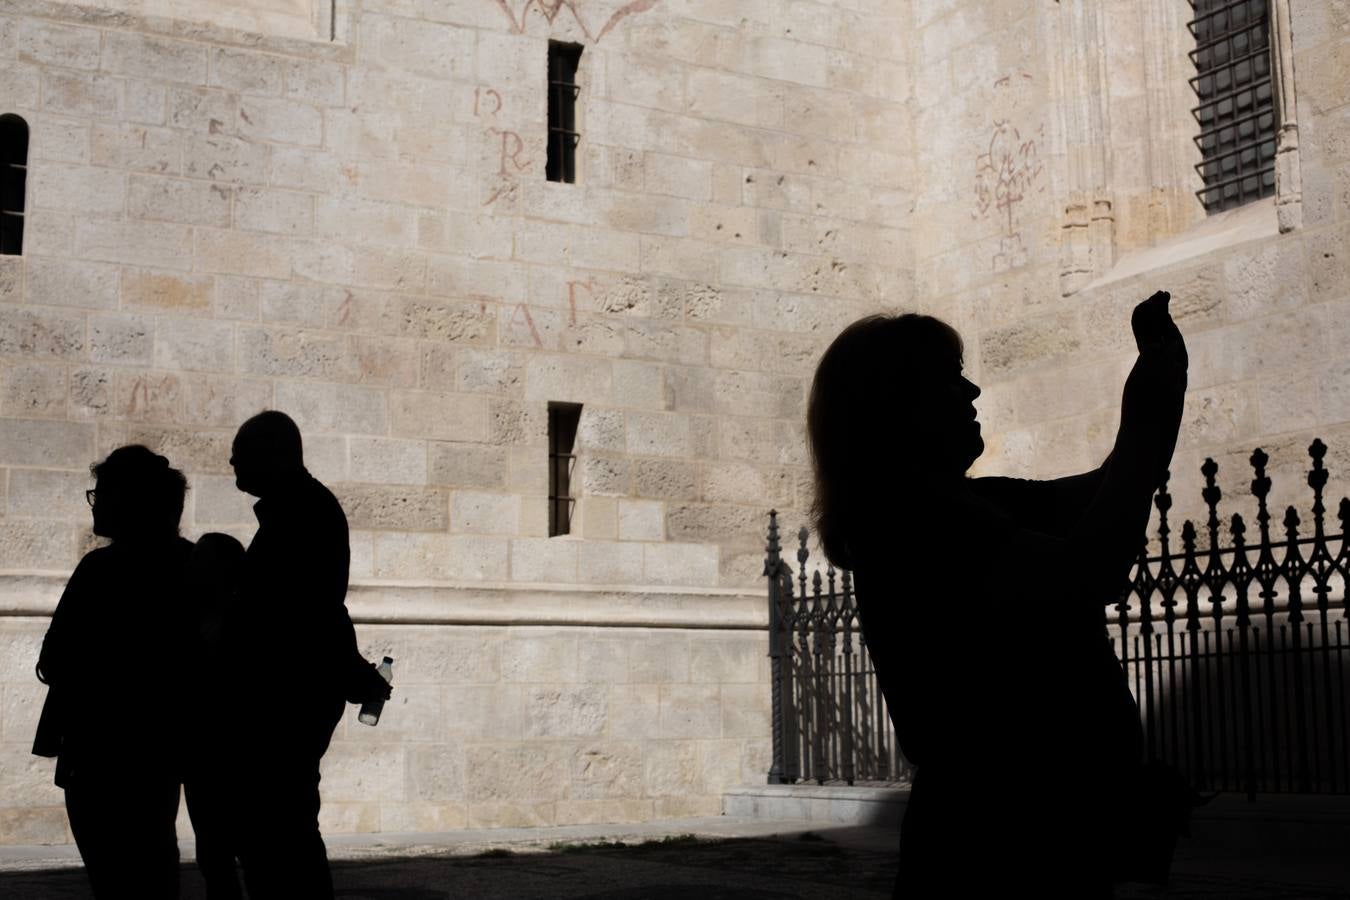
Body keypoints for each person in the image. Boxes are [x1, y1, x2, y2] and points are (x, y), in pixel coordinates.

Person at [805, 292, 1195, 897]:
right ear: (895, 407)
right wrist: (1147, 420)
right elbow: (1090, 570)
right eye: (948, 378)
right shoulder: (914, 526)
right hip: (998, 847)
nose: (972, 392)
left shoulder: (975, 504)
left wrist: (1158, 393)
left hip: (1038, 838)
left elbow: (1105, 489)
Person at [226, 410, 391, 899]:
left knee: (281, 834)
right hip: (291, 694)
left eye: (241, 454)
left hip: (285, 698)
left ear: (274, 455)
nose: (232, 463)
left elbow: (306, 611)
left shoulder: (301, 513)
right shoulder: (299, 508)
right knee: (282, 831)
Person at [33, 445, 194, 899]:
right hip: (160, 751)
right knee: (153, 864)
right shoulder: (189, 563)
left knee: (112, 875)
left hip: (99, 751)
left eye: (101, 493)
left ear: (128, 501)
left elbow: (54, 659)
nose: (95, 503)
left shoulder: (101, 570)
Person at [183, 532, 248, 900]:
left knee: (225, 851)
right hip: (204, 750)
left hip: (227, 748)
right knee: (213, 853)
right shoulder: (192, 618)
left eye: (200, 562)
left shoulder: (244, 620)